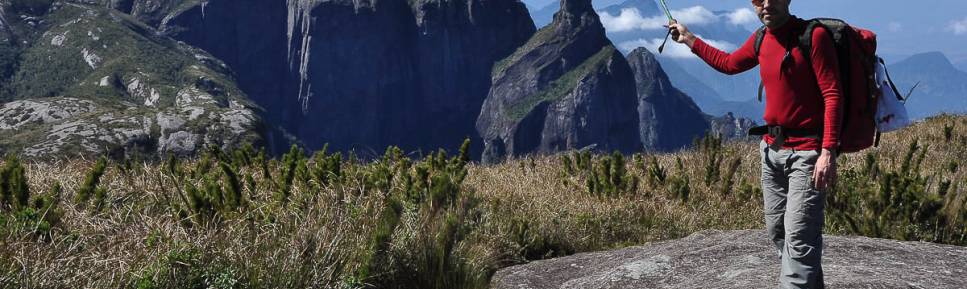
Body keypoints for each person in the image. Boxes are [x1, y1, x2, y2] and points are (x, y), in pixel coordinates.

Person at [668, 0, 840, 288]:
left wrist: (828, 151)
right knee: (779, 233)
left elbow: (832, 94)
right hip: (771, 151)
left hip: (808, 155)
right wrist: (688, 39)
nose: (767, 4)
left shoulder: (813, 36)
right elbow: (728, 63)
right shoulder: (761, 37)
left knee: (798, 237)